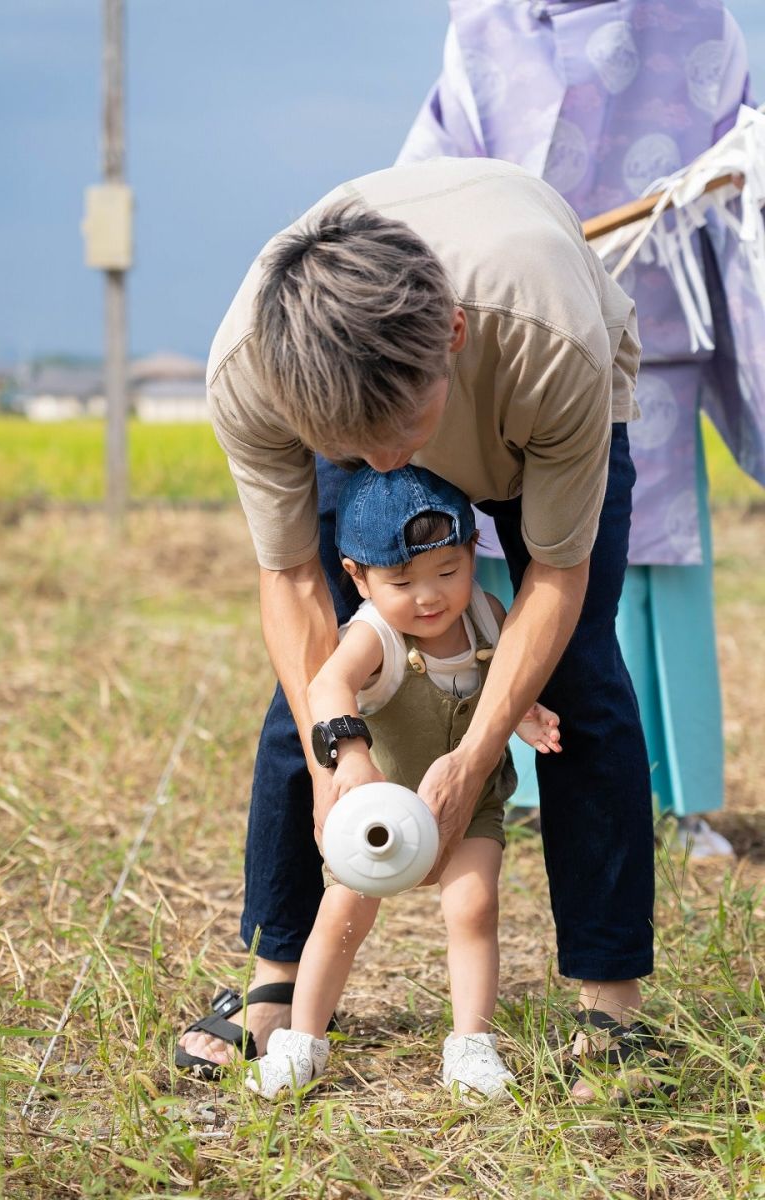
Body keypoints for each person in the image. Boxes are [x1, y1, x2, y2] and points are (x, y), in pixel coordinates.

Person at [176, 157, 654, 1102]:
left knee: (579, 674)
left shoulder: (546, 340)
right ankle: (278, 978)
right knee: (305, 688)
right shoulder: (253, 372)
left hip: (531, 406)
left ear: (455, 338)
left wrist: (473, 758)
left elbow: (556, 576)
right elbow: (293, 583)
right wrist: (335, 759)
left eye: (400, 431)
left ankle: (611, 1001)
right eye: (352, 449)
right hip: (368, 382)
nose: (387, 464)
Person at [396, 0, 765, 856]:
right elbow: (431, 179)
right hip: (504, 326)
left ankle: (680, 801)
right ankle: (510, 780)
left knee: (647, 566)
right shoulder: (487, 23)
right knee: (503, 553)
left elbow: (743, 164)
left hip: (648, 331)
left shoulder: (697, 20)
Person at [245, 465, 561, 1101]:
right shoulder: (373, 633)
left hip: (469, 807)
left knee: (473, 908)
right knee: (340, 917)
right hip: (377, 818)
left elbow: (505, 680)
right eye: (402, 581)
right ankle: (302, 1042)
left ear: (475, 551)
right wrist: (350, 754)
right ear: (357, 575)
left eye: (448, 571)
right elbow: (326, 684)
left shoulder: (487, 616)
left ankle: (472, 1046)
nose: (428, 596)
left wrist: (525, 716)